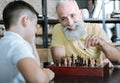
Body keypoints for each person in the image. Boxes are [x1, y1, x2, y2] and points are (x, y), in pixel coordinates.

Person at [51, 0, 120, 65]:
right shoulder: (58, 29)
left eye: (72, 15)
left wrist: (102, 44)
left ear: (80, 14)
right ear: (59, 20)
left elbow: (118, 58)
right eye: (63, 19)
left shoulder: (95, 28)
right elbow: (58, 59)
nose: (70, 23)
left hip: (95, 75)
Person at [0, 1, 54, 83]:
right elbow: (38, 80)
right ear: (25, 20)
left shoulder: (4, 42)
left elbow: (35, 67)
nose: (36, 30)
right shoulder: (18, 44)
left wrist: (32, 43)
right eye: (35, 25)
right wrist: (47, 75)